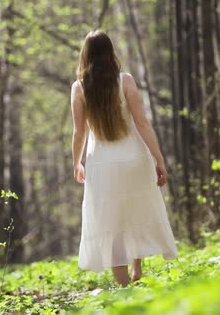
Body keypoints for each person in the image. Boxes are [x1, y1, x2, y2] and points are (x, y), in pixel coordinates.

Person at [71, 30, 178, 287]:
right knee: (135, 210)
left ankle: (123, 286)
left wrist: (76, 162)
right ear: (111, 52)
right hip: (134, 157)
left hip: (102, 163)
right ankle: (137, 268)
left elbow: (79, 132)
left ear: (85, 54)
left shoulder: (79, 88)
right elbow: (142, 123)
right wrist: (158, 158)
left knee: (110, 220)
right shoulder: (125, 81)